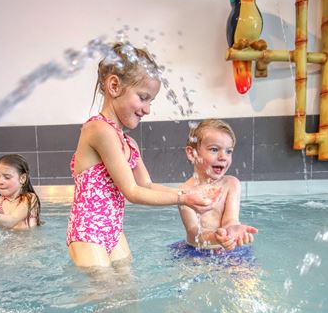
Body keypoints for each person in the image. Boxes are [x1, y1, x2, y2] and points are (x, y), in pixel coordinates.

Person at [67, 42, 219, 268]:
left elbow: (146, 185)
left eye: (151, 101)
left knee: (128, 295)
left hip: (114, 233)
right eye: (143, 97)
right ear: (114, 86)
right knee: (104, 296)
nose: (147, 109)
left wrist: (188, 192)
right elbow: (132, 191)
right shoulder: (98, 130)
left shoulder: (130, 144)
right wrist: (183, 198)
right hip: (88, 233)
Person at [177, 119, 257, 253]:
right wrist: (215, 238)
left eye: (228, 151)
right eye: (214, 149)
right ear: (192, 153)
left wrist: (232, 231)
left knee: (249, 273)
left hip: (229, 247)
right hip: (197, 251)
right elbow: (193, 232)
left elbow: (230, 219)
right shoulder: (184, 192)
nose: (223, 157)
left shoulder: (231, 184)